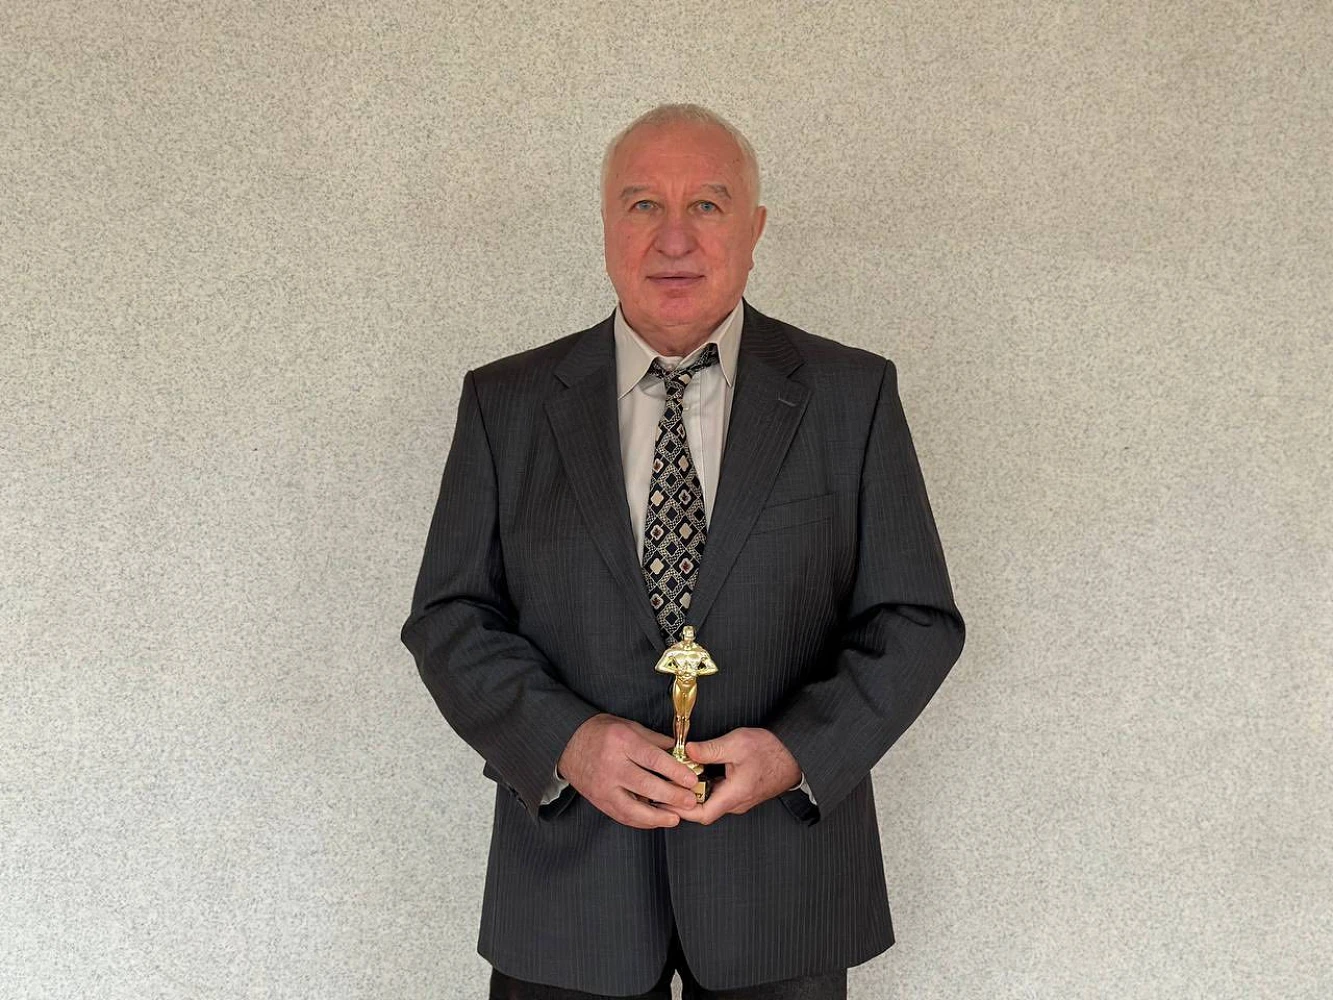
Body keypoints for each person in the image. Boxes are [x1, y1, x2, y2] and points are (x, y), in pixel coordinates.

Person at [401, 103, 964, 1000]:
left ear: (754, 228)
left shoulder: (850, 396)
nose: (673, 238)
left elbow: (914, 619)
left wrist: (796, 752)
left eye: (705, 204)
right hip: (568, 895)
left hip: (780, 888)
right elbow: (449, 618)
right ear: (604, 227)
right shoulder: (505, 404)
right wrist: (567, 743)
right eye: (642, 205)